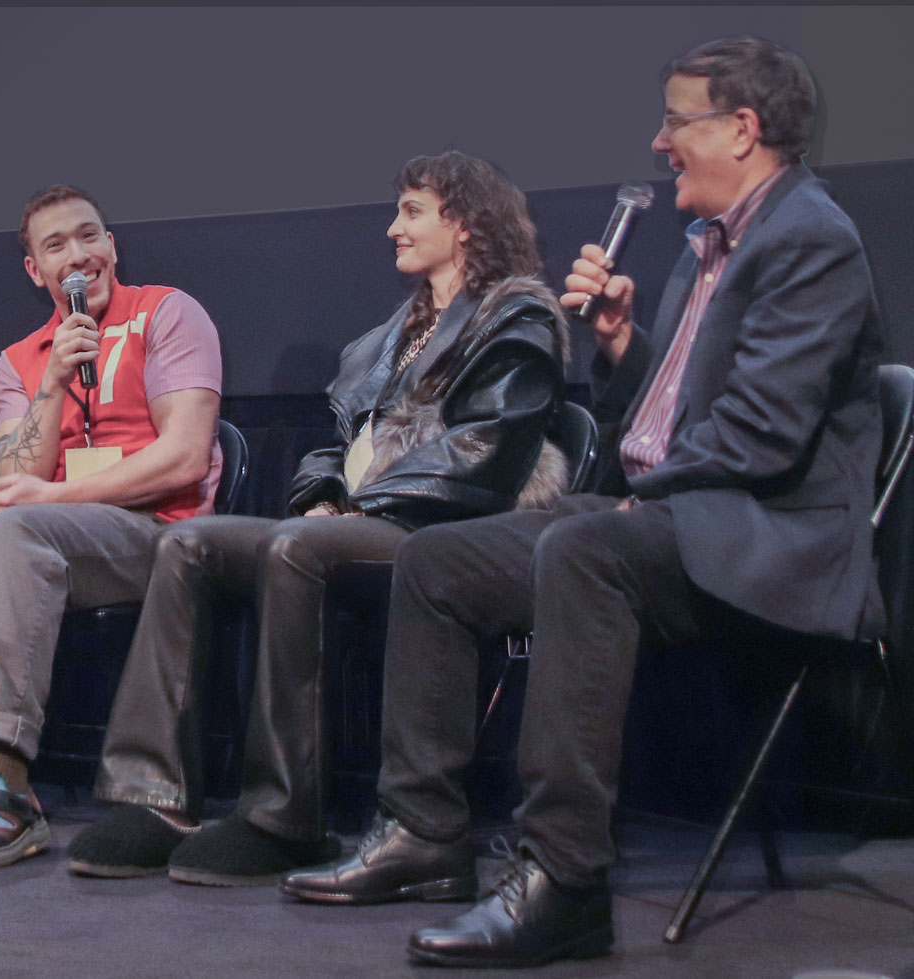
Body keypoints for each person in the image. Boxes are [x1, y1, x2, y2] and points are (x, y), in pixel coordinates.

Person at [281, 36, 884, 968]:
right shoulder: (715, 243)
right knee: (438, 561)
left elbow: (762, 439)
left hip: (764, 541)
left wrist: (634, 506)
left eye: (677, 121)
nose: (659, 141)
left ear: (742, 129)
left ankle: (563, 879)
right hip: (682, 515)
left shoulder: (809, 241)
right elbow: (676, 415)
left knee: (584, 552)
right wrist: (621, 345)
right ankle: (423, 836)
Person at [66, 152, 571, 883]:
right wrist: (324, 492)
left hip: (439, 533)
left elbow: (485, 453)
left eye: (412, 210)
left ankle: (281, 816)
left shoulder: (517, 314)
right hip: (356, 520)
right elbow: (335, 445)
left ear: (463, 225)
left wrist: (363, 504)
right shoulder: (399, 331)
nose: (392, 227)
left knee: (296, 549)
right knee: (189, 543)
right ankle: (153, 797)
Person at [0, 185, 223, 869]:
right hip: (46, 527)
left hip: (152, 537)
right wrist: (52, 382)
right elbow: (11, 465)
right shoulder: (21, 359)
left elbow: (185, 456)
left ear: (113, 246)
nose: (79, 256)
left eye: (90, 236)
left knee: (20, 528)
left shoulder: (167, 313)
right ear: (35, 270)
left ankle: (7, 780)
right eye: (57, 245)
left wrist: (56, 496)